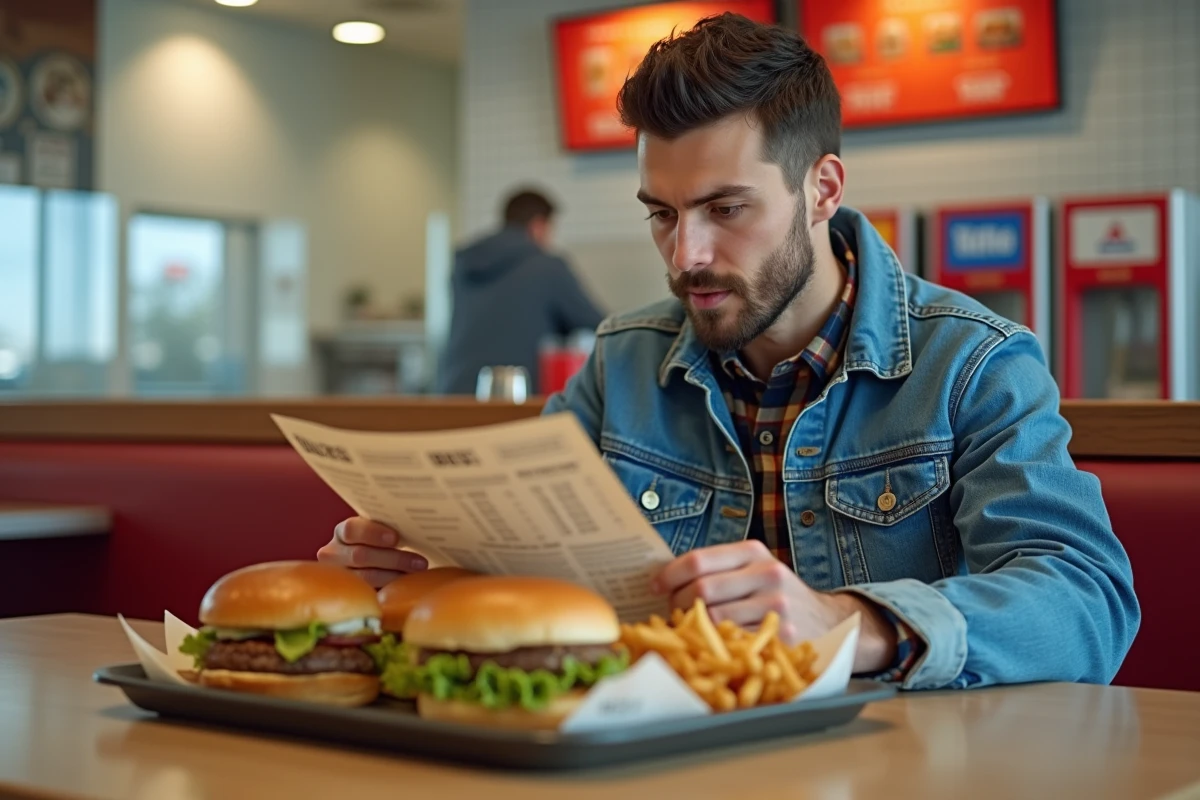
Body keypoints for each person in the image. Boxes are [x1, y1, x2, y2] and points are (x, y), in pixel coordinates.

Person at [320, 14, 1139, 690]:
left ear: (822, 190)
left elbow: (1086, 602)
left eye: (724, 208)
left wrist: (851, 623)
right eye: (663, 215)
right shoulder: (622, 362)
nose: (686, 257)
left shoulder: (974, 362)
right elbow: (529, 563)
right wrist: (424, 575)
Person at [434, 187, 605, 396]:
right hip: (513, 396)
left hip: (452, 393)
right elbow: (593, 322)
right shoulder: (547, 266)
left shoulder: (464, 265)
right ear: (538, 225)